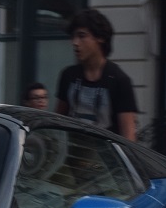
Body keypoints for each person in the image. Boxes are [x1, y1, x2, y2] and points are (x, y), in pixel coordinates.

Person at [54, 9, 138, 139]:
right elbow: (57, 121)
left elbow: (128, 136)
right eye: (73, 37)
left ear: (100, 38)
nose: (75, 43)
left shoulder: (119, 80)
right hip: (71, 154)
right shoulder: (68, 75)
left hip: (106, 156)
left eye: (82, 36)